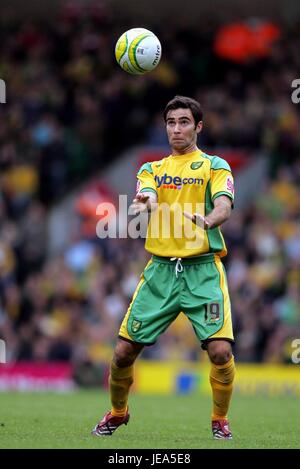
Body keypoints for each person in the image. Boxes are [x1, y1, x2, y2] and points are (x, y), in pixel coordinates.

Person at [92, 95, 236, 440]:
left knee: (220, 351)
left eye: (184, 122)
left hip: (203, 272)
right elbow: (148, 193)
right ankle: (118, 412)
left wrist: (208, 220)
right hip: (159, 273)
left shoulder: (215, 166)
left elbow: (224, 206)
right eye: (171, 123)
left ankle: (219, 420)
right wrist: (147, 201)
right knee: (124, 352)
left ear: (198, 127)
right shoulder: (151, 168)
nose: (176, 129)